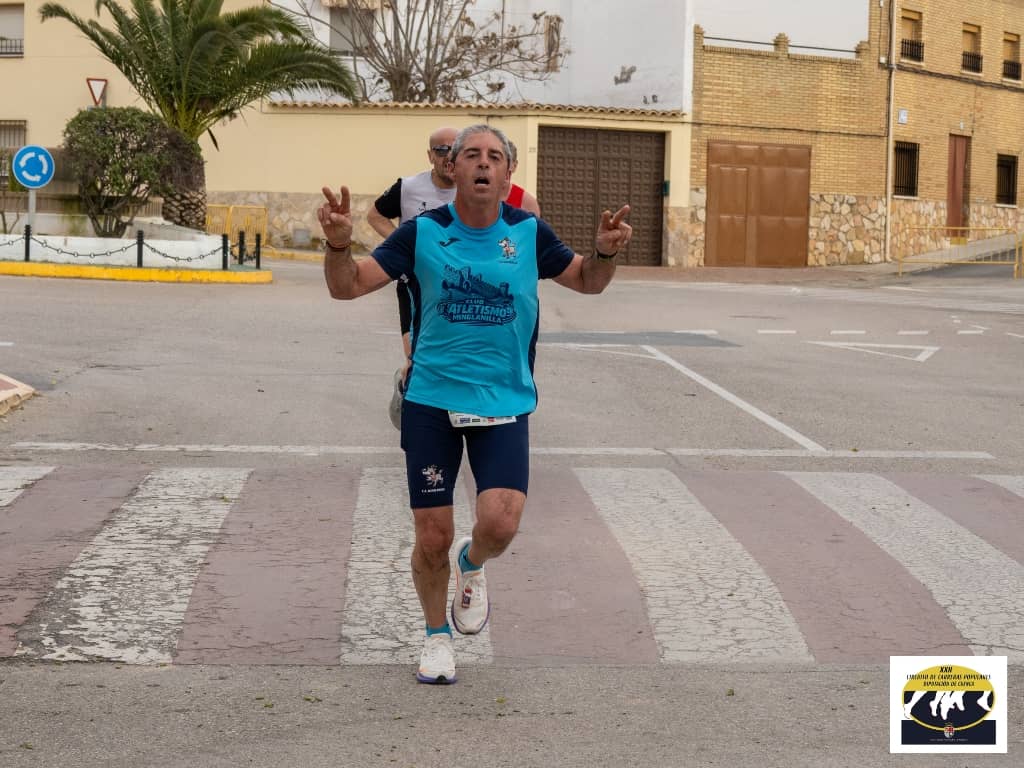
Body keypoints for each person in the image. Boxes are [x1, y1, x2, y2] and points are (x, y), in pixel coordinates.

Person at [318, 124, 631, 685]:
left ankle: (473, 563)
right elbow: (347, 286)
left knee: (500, 525)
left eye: (494, 157)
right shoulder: (422, 232)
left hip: (504, 400)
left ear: (508, 174)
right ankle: (436, 637)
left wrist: (605, 253)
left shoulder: (528, 232)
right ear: (452, 169)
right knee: (431, 535)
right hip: (431, 400)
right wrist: (338, 245)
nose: (483, 163)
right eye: (471, 155)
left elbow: (588, 280)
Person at [368, 127, 459, 428]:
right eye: (441, 150)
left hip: (458, 287)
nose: (448, 155)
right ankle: (411, 408)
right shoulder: (408, 187)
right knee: (417, 357)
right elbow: (375, 215)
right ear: (430, 155)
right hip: (415, 285)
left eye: (455, 149)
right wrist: (402, 247)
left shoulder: (473, 190)